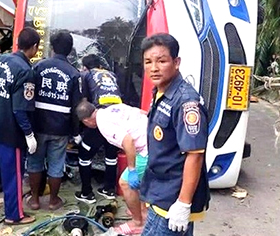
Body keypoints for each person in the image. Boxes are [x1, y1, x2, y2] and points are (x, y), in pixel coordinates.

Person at [140, 33, 210, 235]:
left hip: (173, 197)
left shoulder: (186, 102)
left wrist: (183, 203)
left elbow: (195, 154)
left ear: (176, 62)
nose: (154, 68)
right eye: (148, 62)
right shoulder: (161, 91)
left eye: (161, 61)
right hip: (159, 190)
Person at [0, 27, 40, 225]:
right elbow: (20, 109)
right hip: (7, 131)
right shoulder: (26, 72)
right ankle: (14, 215)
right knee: (12, 174)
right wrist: (28, 134)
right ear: (35, 48)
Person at [27, 31, 82, 211]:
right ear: (70, 50)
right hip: (61, 127)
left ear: (51, 47)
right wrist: (75, 132)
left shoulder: (38, 67)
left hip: (38, 125)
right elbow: (76, 107)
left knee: (35, 162)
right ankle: (53, 201)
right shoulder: (74, 73)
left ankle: (34, 200)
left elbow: (28, 96)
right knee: (57, 164)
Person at [77, 101, 148, 235]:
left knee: (125, 183)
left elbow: (128, 141)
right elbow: (142, 112)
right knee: (142, 178)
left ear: (86, 121)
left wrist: (132, 169)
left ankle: (137, 222)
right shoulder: (113, 108)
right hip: (153, 139)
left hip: (146, 149)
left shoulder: (104, 125)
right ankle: (142, 210)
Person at [75, 54, 122, 204]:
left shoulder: (87, 75)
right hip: (117, 117)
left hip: (100, 118)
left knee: (84, 155)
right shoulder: (112, 75)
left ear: (85, 67)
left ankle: (86, 193)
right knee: (111, 155)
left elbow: (85, 102)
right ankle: (109, 189)